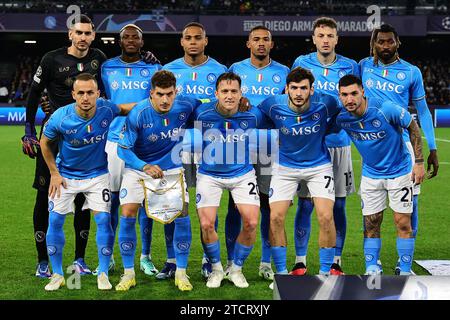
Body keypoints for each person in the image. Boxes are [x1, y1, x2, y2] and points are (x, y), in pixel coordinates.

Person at [21, 14, 107, 278]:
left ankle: (79, 259)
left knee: (82, 196)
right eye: (78, 33)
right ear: (70, 34)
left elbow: (108, 91)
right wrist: (28, 131)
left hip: (85, 139)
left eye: (87, 33)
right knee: (46, 193)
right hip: (54, 137)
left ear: (93, 36)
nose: (83, 38)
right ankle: (43, 261)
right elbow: (34, 94)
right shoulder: (51, 59)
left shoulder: (100, 59)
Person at [39, 73, 135, 291]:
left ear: (98, 94)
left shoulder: (106, 109)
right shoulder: (60, 117)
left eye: (90, 93)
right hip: (65, 176)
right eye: (80, 93)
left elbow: (125, 108)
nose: (85, 97)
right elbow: (44, 143)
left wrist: (153, 103)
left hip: (98, 175)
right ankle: (57, 274)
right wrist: (54, 172)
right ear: (73, 94)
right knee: (54, 222)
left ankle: (102, 273)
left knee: (103, 221)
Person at [359, 23, 439, 273]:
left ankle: (403, 264)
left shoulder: (411, 72)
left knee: (410, 205)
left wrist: (432, 148)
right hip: (372, 142)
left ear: (397, 43)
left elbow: (423, 112)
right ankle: (374, 263)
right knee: (372, 210)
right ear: (373, 44)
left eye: (389, 41)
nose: (385, 46)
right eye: (380, 42)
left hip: (404, 144)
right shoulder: (363, 66)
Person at [115, 70, 200, 292]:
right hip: (139, 168)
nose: (165, 100)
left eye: (169, 94)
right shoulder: (139, 113)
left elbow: (207, 107)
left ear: (176, 92)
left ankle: (181, 273)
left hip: (171, 169)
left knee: (181, 215)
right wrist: (144, 166)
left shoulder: (186, 105)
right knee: (128, 213)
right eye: (160, 94)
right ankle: (128, 274)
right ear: (151, 93)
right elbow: (123, 149)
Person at [290, 17, 359, 275]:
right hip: (310, 145)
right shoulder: (301, 63)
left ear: (337, 39)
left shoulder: (350, 66)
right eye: (321, 35)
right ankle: (300, 260)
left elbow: (357, 100)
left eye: (330, 35)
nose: (326, 40)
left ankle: (336, 260)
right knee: (306, 204)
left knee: (338, 205)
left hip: (339, 144)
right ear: (314, 38)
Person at [336, 75, 425, 275]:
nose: (349, 99)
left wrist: (418, 162)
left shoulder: (385, 109)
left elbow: (413, 127)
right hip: (370, 175)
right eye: (344, 95)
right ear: (339, 96)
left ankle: (404, 269)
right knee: (371, 222)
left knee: (403, 222)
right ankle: (372, 268)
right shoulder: (341, 117)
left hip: (399, 172)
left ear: (363, 92)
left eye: (354, 94)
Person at [259, 67, 341, 280]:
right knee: (276, 217)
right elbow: (256, 117)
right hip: (285, 167)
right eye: (294, 88)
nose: (298, 93)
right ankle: (281, 274)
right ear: (286, 89)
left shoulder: (327, 102)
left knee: (325, 216)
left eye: (303, 88)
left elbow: (345, 112)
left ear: (312, 90)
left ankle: (325, 273)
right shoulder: (272, 104)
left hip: (318, 166)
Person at [161, 22, 228, 280]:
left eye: (197, 38)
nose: (192, 42)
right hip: (175, 142)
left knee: (208, 205)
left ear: (205, 41)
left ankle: (208, 260)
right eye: (187, 38)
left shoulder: (220, 70)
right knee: (173, 203)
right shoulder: (169, 70)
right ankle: (170, 259)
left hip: (208, 143)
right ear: (181, 41)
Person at [192, 72, 267, 288]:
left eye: (234, 91)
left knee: (252, 222)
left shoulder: (253, 115)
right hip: (209, 174)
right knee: (206, 224)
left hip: (242, 174)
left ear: (241, 94)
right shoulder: (201, 113)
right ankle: (216, 269)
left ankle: (236, 269)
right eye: (224, 91)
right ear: (216, 93)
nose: (229, 95)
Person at [227, 25, 289, 281]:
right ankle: (231, 262)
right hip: (240, 145)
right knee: (233, 206)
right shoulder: (235, 70)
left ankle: (265, 263)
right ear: (248, 44)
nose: (261, 43)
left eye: (266, 40)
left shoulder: (283, 72)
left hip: (271, 146)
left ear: (272, 45)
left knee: (267, 206)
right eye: (256, 39)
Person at [100, 23, 161, 277]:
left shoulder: (154, 68)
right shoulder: (106, 67)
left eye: (136, 37)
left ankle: (145, 256)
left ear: (142, 41)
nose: (131, 40)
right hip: (114, 140)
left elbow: (158, 99)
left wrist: (125, 107)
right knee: (112, 201)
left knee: (146, 201)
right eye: (126, 37)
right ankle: (110, 256)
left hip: (144, 141)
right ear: (120, 40)